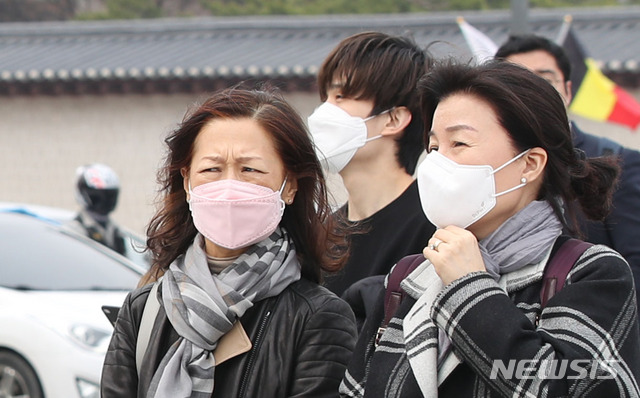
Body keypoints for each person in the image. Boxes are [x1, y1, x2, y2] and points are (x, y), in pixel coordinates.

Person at [341, 61, 640, 397]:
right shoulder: (408, 279)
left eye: (460, 144)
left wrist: (470, 289)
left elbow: (575, 389)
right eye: (435, 147)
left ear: (529, 163)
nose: (437, 163)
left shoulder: (590, 273)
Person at [101, 87, 357, 397]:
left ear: (289, 186)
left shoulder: (317, 317)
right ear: (187, 181)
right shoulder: (144, 310)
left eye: (250, 169)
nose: (229, 187)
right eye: (211, 169)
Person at [495, 34, 640, 302]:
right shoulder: (490, 170)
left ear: (568, 90)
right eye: (517, 84)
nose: (534, 93)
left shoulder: (618, 161)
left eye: (545, 80)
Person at [308, 31, 437, 301]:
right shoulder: (321, 235)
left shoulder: (432, 226)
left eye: (342, 95)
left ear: (393, 119)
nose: (324, 113)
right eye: (326, 97)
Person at [67, 163, 126, 255]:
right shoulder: (74, 230)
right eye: (98, 196)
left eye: (109, 196)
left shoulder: (116, 231)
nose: (105, 201)